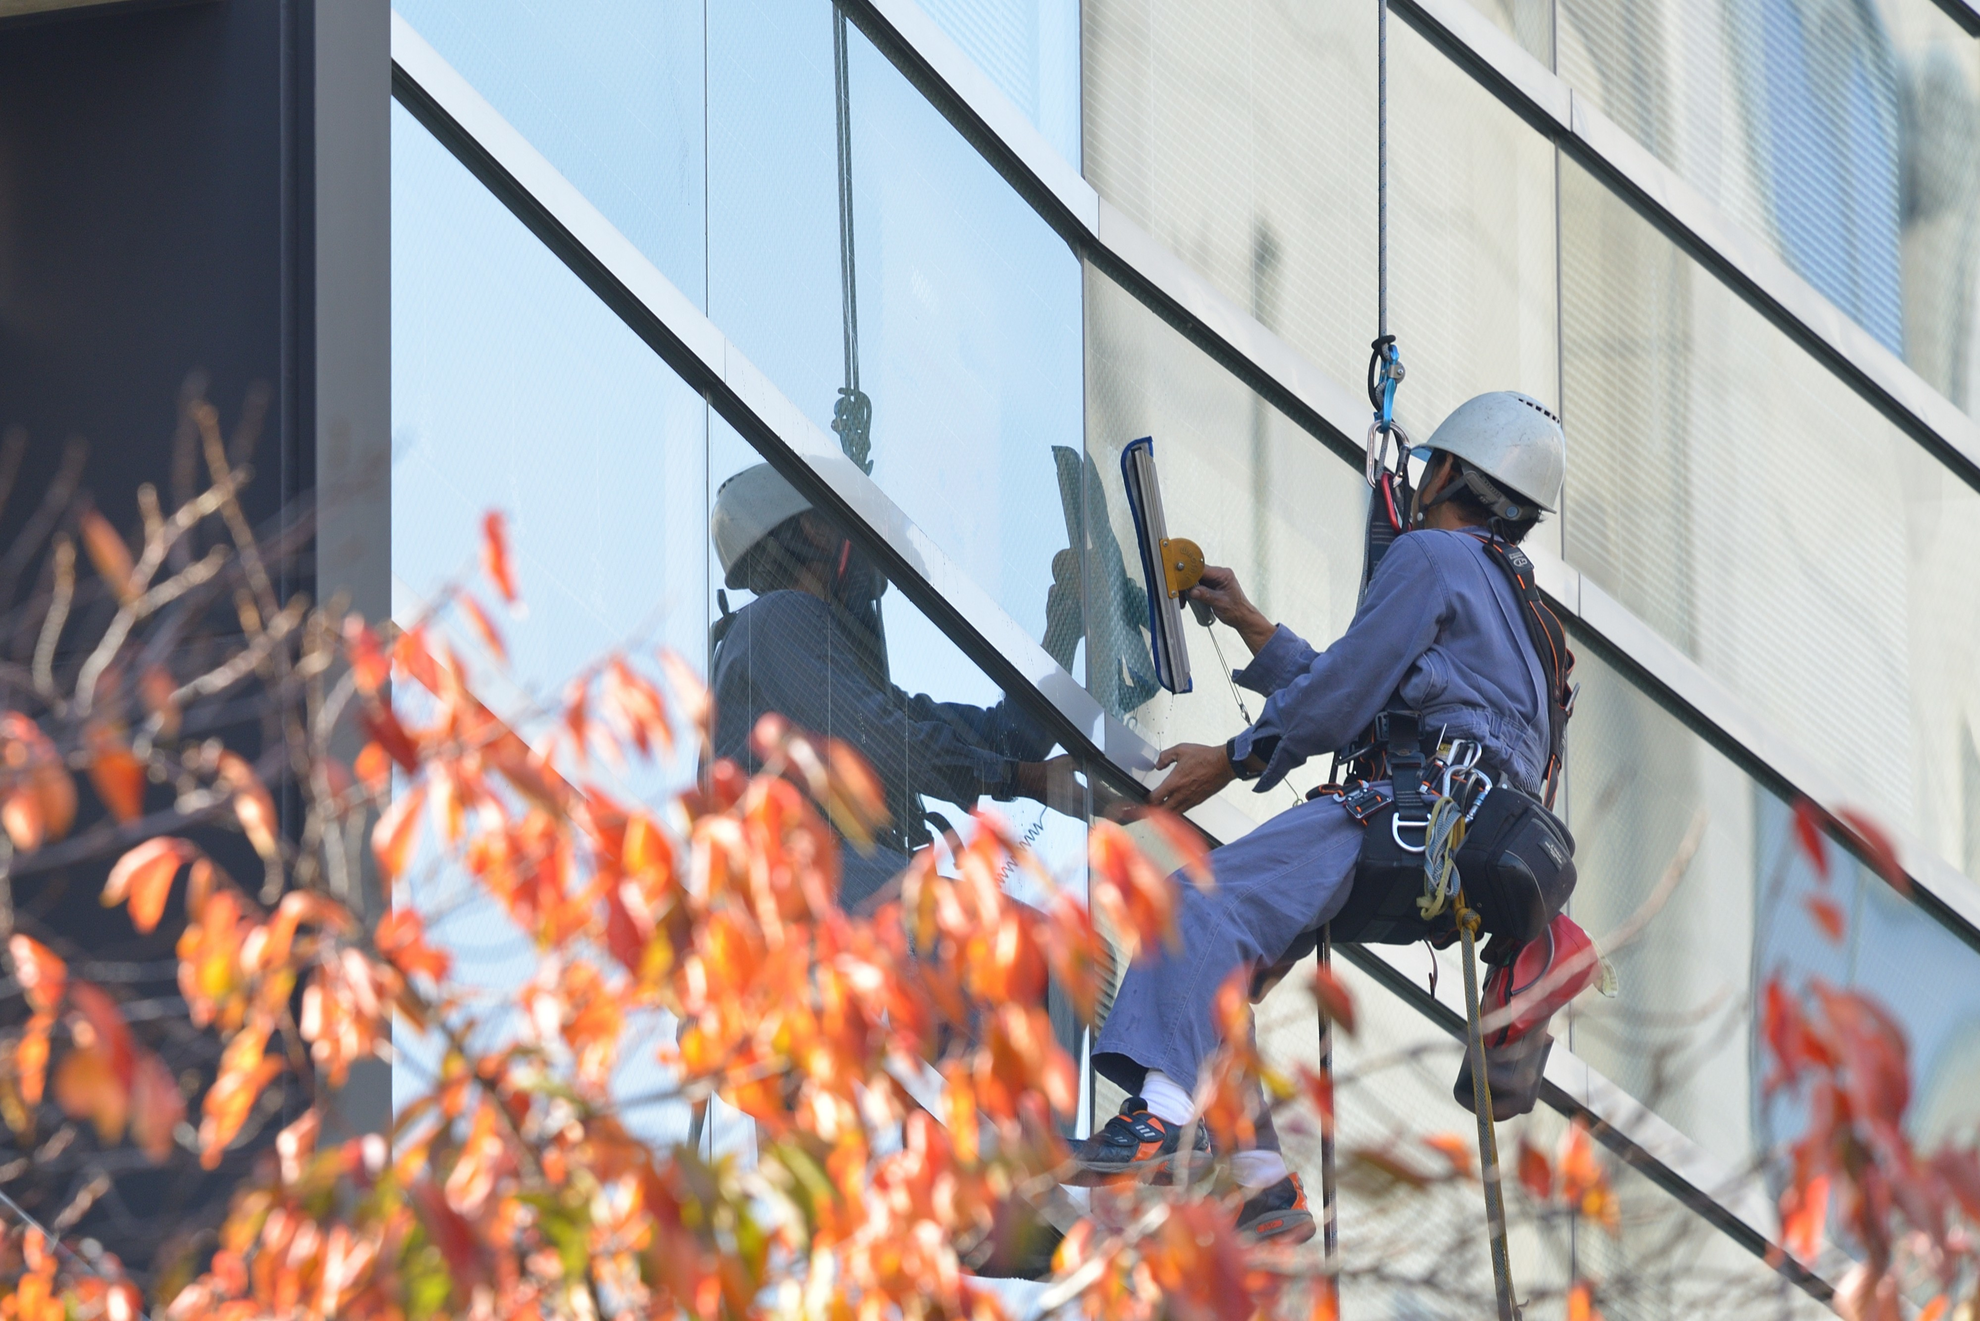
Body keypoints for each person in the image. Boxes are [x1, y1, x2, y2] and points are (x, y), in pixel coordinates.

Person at [1066, 391, 1569, 1246]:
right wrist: (1253, 627)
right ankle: (1262, 1183)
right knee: (1224, 970)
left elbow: (1342, 701)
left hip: (1404, 809)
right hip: (1454, 837)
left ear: (1448, 469)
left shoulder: (1431, 557)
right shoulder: (1536, 623)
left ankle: (1157, 1127)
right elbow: (1389, 697)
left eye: (1428, 467)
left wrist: (1233, 756)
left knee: (1195, 908)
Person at [708, 463, 1082, 910]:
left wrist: (1066, 618)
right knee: (1048, 958)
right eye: (853, 521)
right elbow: (884, 741)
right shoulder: (777, 620)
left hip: (842, 901)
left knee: (1040, 957)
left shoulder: (826, 671)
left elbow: (1009, 739)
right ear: (815, 530)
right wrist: (1024, 780)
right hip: (818, 906)